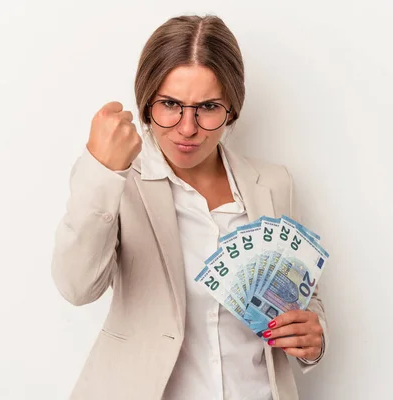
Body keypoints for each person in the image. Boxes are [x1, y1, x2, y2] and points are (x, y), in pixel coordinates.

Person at [51, 14, 327, 400]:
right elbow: (77, 286)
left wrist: (314, 337)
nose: (187, 127)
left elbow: (302, 297)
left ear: (232, 107)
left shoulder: (273, 184)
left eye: (208, 107)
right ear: (147, 102)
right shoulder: (119, 180)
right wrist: (102, 171)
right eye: (170, 104)